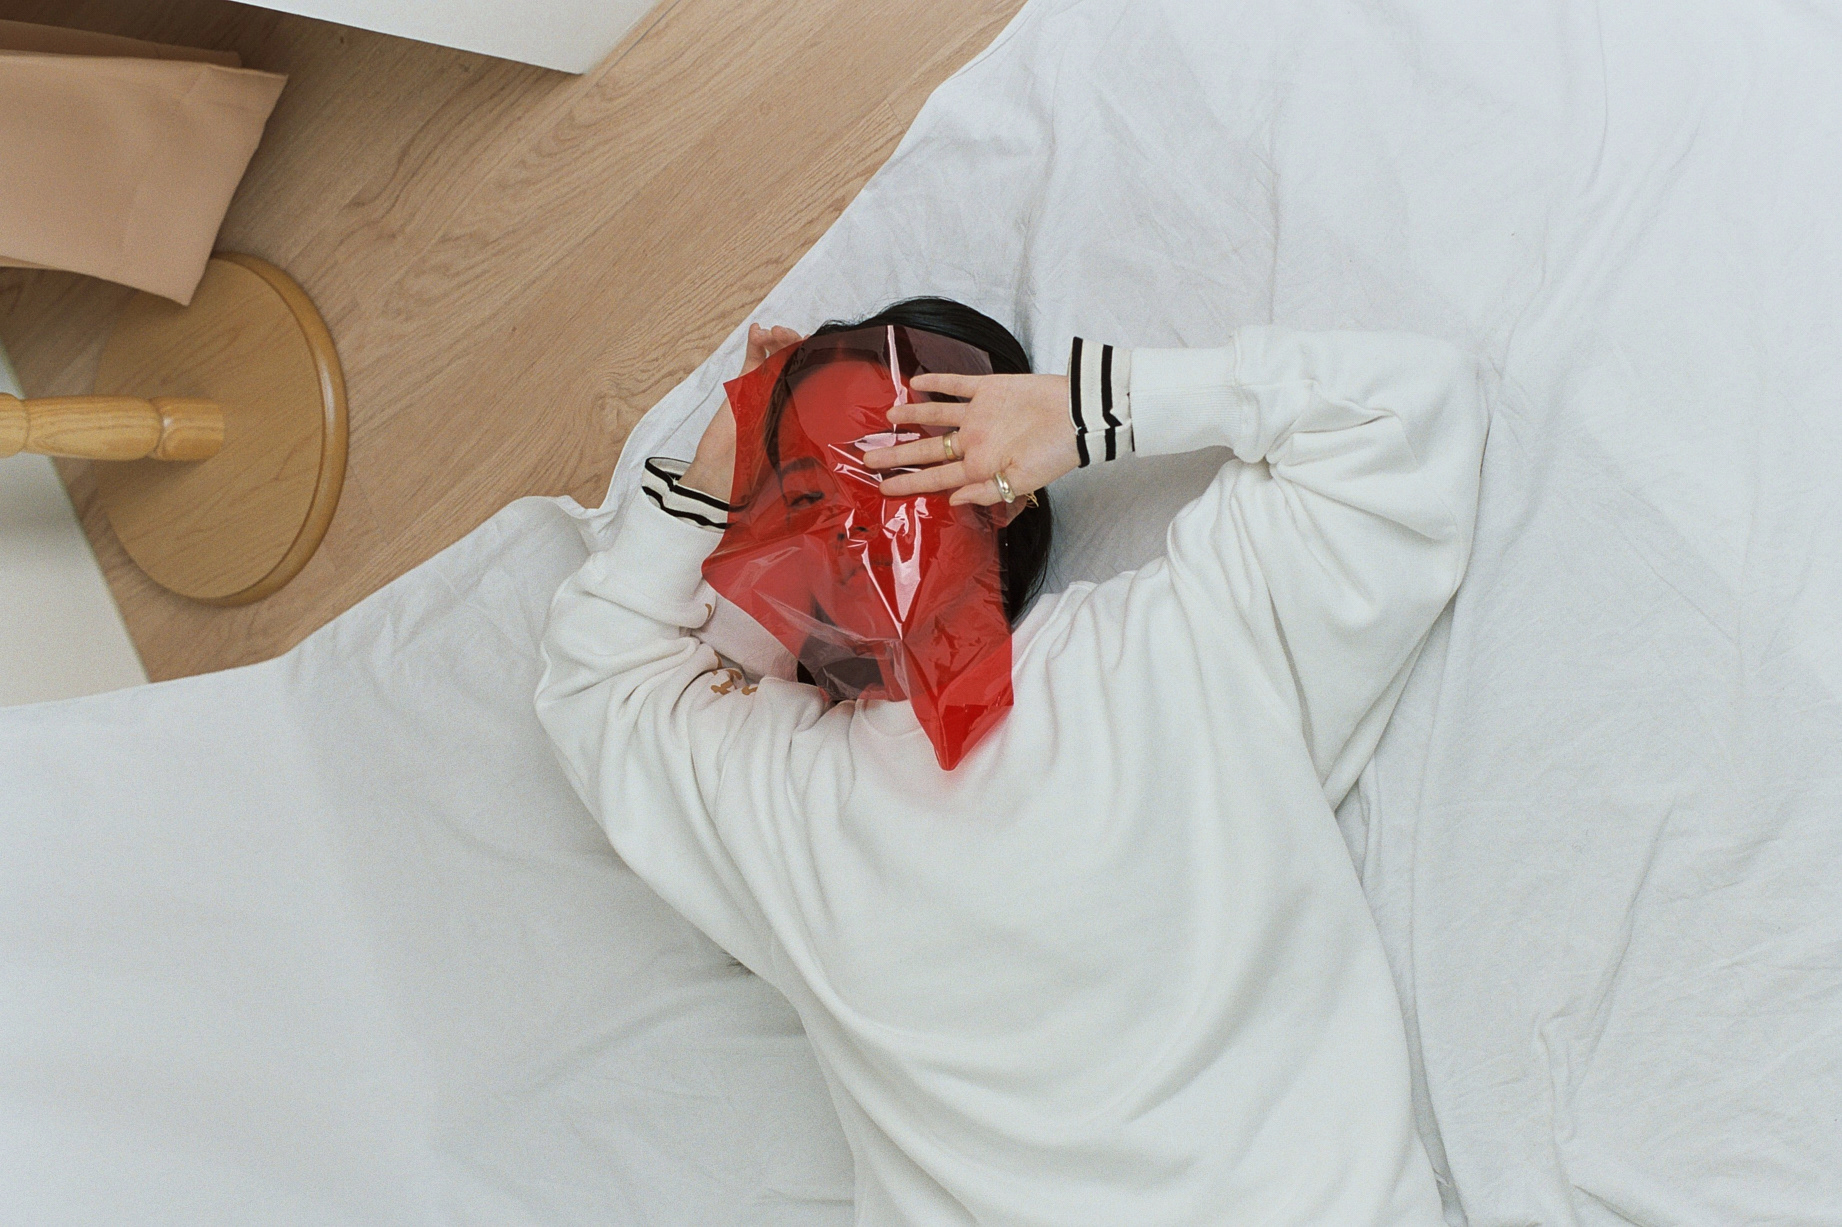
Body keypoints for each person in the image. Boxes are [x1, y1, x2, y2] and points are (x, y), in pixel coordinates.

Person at [536, 299, 1487, 1225]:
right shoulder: (783, 802)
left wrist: (1082, 412)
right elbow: (597, 681)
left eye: (896, 461)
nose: (851, 527)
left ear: (1003, 479)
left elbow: (1410, 412)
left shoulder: (1182, 642)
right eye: (804, 491)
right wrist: (713, 472)